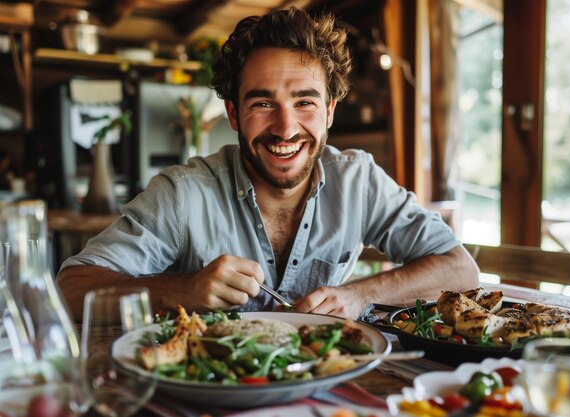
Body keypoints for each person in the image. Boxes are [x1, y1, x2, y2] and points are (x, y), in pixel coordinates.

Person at [57, 7, 479, 320]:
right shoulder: (182, 194)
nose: (285, 128)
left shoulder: (358, 180)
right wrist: (181, 289)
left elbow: (460, 269)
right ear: (234, 114)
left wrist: (358, 296)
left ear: (330, 111)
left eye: (304, 102)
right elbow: (71, 287)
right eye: (262, 103)